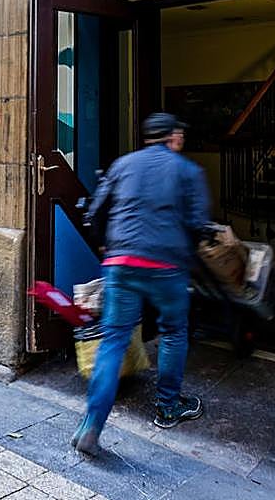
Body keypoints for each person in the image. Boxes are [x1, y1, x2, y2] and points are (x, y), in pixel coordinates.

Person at [71, 112, 213, 457]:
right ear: (173, 137)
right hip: (166, 265)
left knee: (114, 340)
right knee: (174, 332)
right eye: (180, 134)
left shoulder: (122, 165)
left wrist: (106, 244)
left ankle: (92, 424)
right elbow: (197, 224)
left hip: (121, 263)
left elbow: (96, 210)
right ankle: (167, 407)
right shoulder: (188, 171)